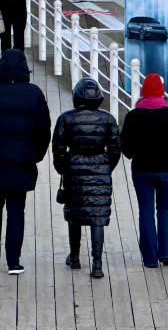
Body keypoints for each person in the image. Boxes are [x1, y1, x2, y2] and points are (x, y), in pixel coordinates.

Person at [0, 49, 51, 276]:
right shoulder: (34, 93)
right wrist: (36, 154)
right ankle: (13, 261)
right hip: (22, 161)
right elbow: (44, 130)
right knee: (17, 208)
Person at [53, 77, 122, 279]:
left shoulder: (66, 118)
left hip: (74, 168)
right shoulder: (107, 119)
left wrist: (62, 168)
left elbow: (58, 147)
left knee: (74, 213)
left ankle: (75, 257)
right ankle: (97, 263)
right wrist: (107, 166)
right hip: (100, 168)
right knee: (97, 216)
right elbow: (116, 149)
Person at [120, 73, 168, 268]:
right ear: (162, 93)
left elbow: (125, 145)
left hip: (142, 169)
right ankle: (166, 253)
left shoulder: (133, 116)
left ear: (143, 92)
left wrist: (133, 155)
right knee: (165, 209)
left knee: (146, 211)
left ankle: (149, 258)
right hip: (166, 169)